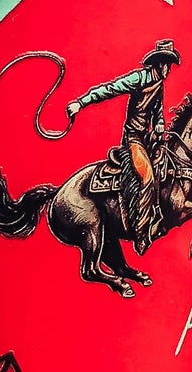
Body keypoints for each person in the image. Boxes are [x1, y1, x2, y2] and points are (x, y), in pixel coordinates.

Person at [65, 39, 181, 251]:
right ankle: (141, 229)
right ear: (159, 64)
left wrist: (160, 126)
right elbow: (110, 89)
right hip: (133, 140)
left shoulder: (159, 85)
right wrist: (81, 102)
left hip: (149, 140)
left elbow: (157, 112)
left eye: (170, 65)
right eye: (167, 64)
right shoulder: (138, 79)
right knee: (147, 175)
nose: (168, 69)